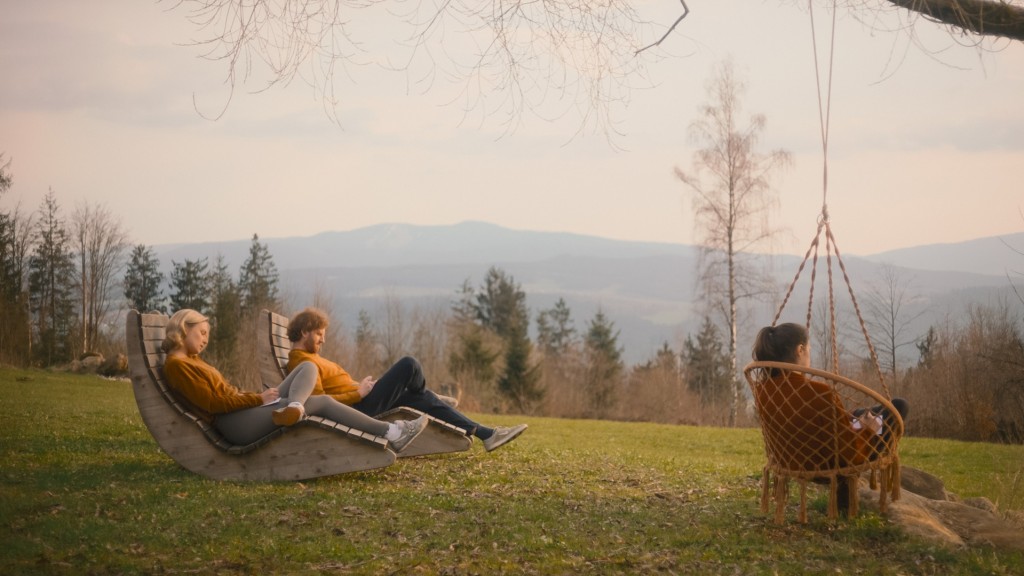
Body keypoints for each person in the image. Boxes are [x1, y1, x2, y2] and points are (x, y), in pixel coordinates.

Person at [160, 309, 428, 453]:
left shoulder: (191, 362)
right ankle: (392, 432)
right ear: (184, 330)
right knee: (321, 401)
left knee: (308, 367)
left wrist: (255, 398)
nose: (205, 339)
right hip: (234, 424)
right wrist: (258, 398)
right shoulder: (177, 366)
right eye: (202, 333)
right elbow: (213, 403)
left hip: (242, 411)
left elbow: (221, 395)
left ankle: (296, 407)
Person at [285, 307, 528, 452]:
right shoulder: (301, 362)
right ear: (304, 331)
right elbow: (317, 402)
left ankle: (486, 434)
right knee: (409, 365)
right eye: (319, 334)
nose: (323, 340)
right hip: (358, 408)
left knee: (417, 398)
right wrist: (357, 393)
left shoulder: (311, 357)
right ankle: (426, 393)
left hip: (362, 398)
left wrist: (361, 388)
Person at [751, 322, 909, 512]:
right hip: (829, 463)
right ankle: (844, 504)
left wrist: (857, 421)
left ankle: (860, 421)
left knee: (859, 414)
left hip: (790, 458)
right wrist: (869, 428)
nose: (809, 354)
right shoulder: (819, 392)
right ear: (800, 350)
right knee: (898, 406)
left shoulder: (763, 391)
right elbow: (849, 451)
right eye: (809, 349)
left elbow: (816, 424)